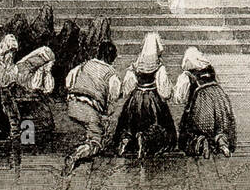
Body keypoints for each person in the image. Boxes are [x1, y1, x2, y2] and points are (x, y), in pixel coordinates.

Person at [114, 32, 177, 157]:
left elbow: (128, 86)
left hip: (136, 98)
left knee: (129, 123)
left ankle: (127, 140)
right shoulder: (159, 67)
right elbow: (164, 92)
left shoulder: (136, 65)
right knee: (159, 126)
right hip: (152, 99)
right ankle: (145, 139)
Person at [65, 40, 122, 171]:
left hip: (72, 104)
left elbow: (68, 81)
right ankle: (76, 155)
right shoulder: (111, 73)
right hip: (89, 110)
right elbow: (114, 95)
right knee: (96, 141)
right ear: (112, 57)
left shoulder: (84, 65)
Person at [175, 48, 237, 158]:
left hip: (202, 105)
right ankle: (222, 143)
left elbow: (180, 98)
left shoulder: (188, 75)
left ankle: (202, 141)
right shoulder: (210, 70)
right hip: (220, 102)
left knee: (196, 128)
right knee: (220, 126)